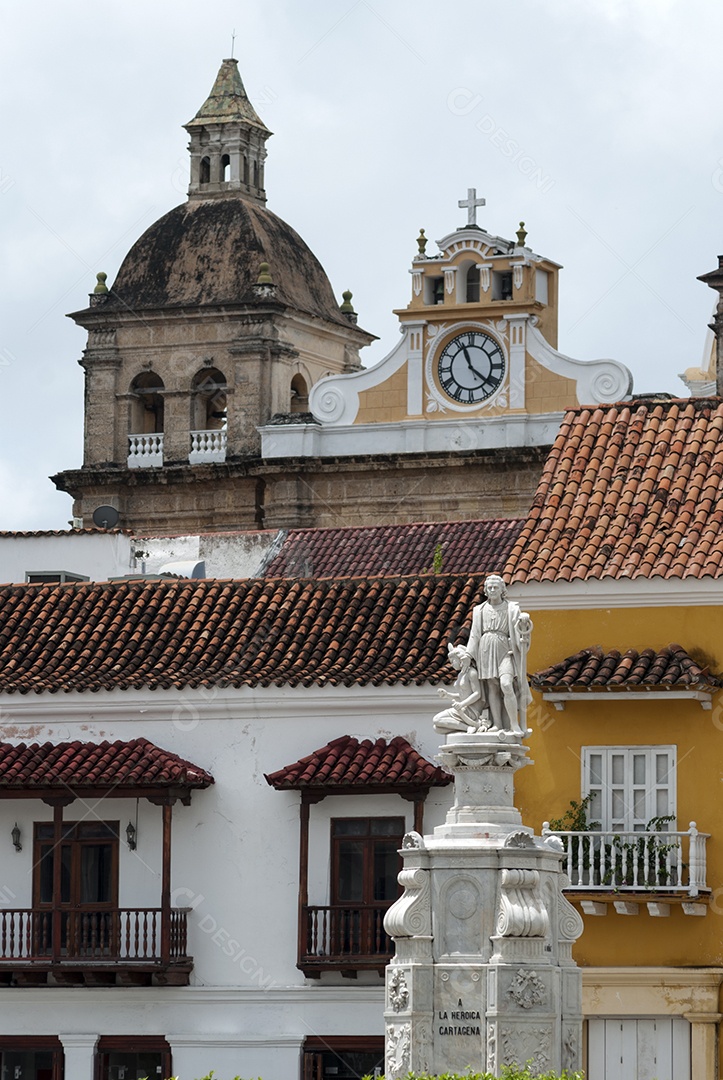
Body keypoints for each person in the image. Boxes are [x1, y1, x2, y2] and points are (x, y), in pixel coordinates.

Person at [460, 574, 533, 736]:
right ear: (486, 590)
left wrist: (524, 625)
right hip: (485, 650)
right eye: (489, 587)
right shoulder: (479, 610)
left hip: (505, 650)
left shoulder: (511, 608)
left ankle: (514, 724)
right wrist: (468, 654)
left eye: (496, 587)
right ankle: (498, 724)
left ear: (502, 590)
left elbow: (521, 632)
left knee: (506, 684)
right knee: (492, 686)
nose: (492, 590)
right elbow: (474, 635)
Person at [433, 643, 487, 735]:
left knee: (436, 719)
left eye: (453, 661)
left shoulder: (472, 672)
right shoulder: (461, 674)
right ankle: (469, 727)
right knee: (437, 728)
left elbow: (477, 693)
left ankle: (468, 727)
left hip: (471, 710)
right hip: (463, 707)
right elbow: (463, 695)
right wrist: (448, 695)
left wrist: (461, 704)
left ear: (460, 659)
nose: (451, 664)